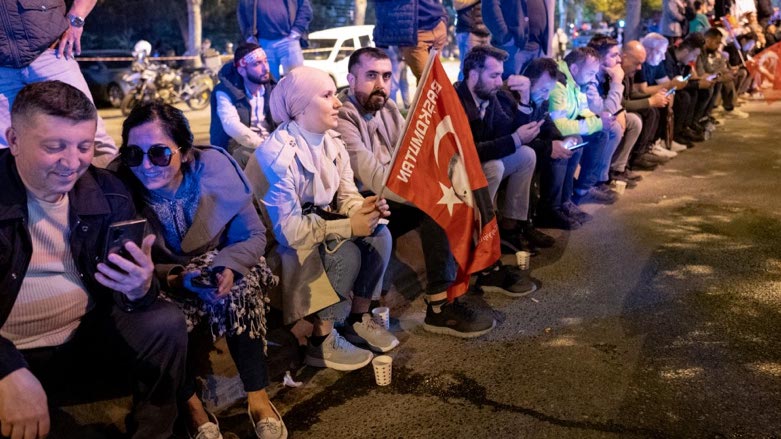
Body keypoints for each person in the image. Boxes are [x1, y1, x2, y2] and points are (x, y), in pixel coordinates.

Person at [0, 81, 187, 439]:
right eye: (55, 147)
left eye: (84, 146)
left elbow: (133, 297)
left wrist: (140, 287)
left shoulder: (108, 192)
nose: (73, 163)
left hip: (82, 337)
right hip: (12, 349)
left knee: (164, 322)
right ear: (14, 139)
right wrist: (5, 369)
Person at [113, 102, 286, 439]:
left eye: (160, 154)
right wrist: (176, 277)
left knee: (242, 289)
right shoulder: (118, 187)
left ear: (185, 152)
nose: (146, 166)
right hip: (161, 278)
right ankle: (191, 405)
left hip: (217, 265)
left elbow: (251, 235)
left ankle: (258, 396)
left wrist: (227, 269)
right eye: (135, 154)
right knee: (160, 318)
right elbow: (125, 261)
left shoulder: (217, 170)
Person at [244, 66, 398, 371]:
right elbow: (288, 232)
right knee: (346, 252)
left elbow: (346, 195)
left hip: (313, 233)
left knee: (379, 233)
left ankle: (357, 318)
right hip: (278, 252)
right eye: (327, 95)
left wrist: (363, 209)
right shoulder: (277, 158)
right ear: (300, 108)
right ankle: (321, 342)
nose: (338, 102)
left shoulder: (330, 142)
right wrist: (347, 225)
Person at [336, 47, 496, 337]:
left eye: (386, 76)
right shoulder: (343, 118)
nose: (380, 84)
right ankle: (438, 308)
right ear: (351, 78)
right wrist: (428, 190)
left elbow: (414, 156)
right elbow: (374, 178)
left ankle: (469, 278)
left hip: (394, 197)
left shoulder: (388, 108)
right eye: (371, 75)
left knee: (451, 192)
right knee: (437, 202)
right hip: (365, 204)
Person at [455, 45, 555, 256]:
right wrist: (516, 138)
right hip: (458, 171)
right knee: (495, 165)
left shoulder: (488, 97)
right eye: (494, 75)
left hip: (478, 163)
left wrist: (525, 100)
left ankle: (510, 227)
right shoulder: (456, 101)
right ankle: (483, 233)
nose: (500, 82)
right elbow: (469, 152)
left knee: (527, 155)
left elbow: (507, 129)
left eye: (500, 75)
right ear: (473, 74)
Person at [0, 0, 117, 167]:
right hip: (2, 70)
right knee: (9, 149)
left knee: (92, 137)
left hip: (51, 51)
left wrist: (76, 19)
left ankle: (115, 191)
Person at [548, 47, 615, 208]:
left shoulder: (576, 81)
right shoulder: (559, 84)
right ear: (574, 68)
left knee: (600, 134)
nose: (593, 79)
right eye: (590, 73)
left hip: (561, 128)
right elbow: (559, 126)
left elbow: (580, 110)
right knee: (576, 140)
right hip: (549, 133)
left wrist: (599, 119)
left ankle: (582, 189)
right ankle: (561, 203)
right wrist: (597, 122)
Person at [210, 43, 277, 168]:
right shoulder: (225, 91)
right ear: (242, 70)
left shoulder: (273, 87)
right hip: (239, 147)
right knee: (246, 155)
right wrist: (264, 146)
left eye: (265, 61)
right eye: (257, 64)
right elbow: (231, 125)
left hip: (272, 145)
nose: (265, 68)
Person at [372, 0, 449, 81]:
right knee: (429, 83)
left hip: (437, 24)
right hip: (414, 33)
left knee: (434, 83)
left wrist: (443, 18)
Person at [237, 0, 313, 80]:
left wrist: (296, 31)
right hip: (262, 43)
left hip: (289, 41)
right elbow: (242, 14)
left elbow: (305, 8)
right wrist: (249, 37)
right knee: (269, 84)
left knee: (297, 80)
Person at [483, 0, 550, 78]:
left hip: (537, 48)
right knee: (507, 87)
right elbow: (490, 6)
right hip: (513, 48)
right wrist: (506, 38)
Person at [455, 0, 491, 80]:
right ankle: (460, 92)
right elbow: (457, 3)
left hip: (485, 31)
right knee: (467, 69)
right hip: (469, 31)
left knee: (484, 69)